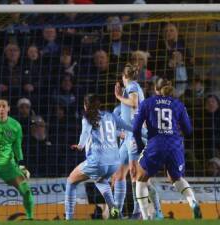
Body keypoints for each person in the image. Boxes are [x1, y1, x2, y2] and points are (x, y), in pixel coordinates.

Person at [134, 78, 202, 220]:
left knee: (140, 178)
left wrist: (140, 145)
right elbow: (188, 130)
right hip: (175, 145)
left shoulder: (147, 103)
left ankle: (146, 217)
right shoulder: (178, 104)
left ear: (155, 89)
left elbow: (136, 128)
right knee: (176, 178)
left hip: (155, 145)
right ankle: (193, 202)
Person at [65, 94, 133, 220]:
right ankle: (113, 208)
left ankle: (68, 219)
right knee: (100, 181)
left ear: (85, 106)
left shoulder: (87, 118)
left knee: (71, 181)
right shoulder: (110, 115)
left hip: (98, 161)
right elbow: (129, 127)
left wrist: (80, 146)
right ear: (99, 105)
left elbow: (85, 133)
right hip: (114, 163)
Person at [112, 63, 163, 219]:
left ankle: (139, 212)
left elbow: (134, 102)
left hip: (136, 136)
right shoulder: (131, 89)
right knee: (119, 174)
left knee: (137, 177)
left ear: (124, 77)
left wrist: (119, 97)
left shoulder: (133, 86)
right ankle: (117, 213)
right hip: (128, 136)